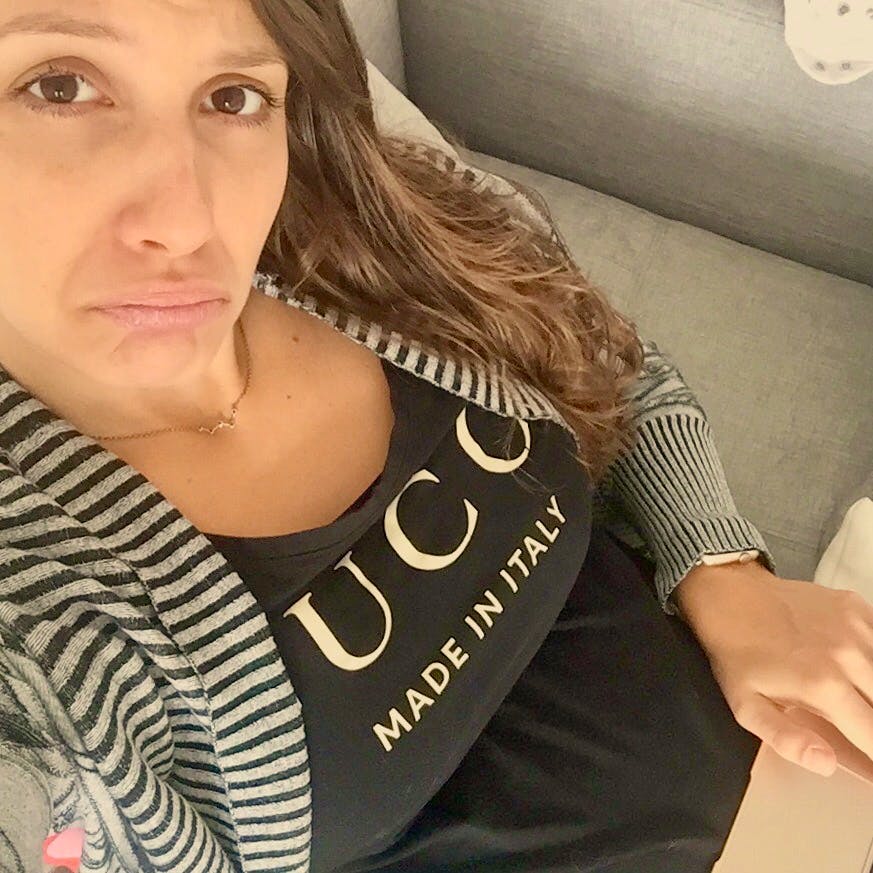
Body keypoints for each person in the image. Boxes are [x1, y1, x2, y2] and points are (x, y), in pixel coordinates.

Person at [1, 2, 862, 873]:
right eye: (58, 87)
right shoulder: (33, 649)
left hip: (814, 780)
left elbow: (597, 355)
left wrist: (720, 571)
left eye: (233, 96)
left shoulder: (351, 214)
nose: (188, 221)